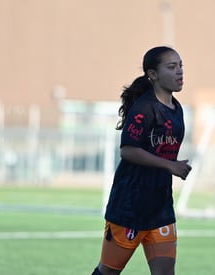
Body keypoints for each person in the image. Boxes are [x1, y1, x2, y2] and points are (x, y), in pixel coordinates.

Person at [90, 46, 192, 275]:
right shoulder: (144, 108)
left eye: (181, 66)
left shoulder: (177, 109)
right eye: (172, 67)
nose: (180, 72)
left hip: (161, 208)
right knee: (108, 272)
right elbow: (128, 150)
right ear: (153, 74)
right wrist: (170, 165)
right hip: (130, 207)